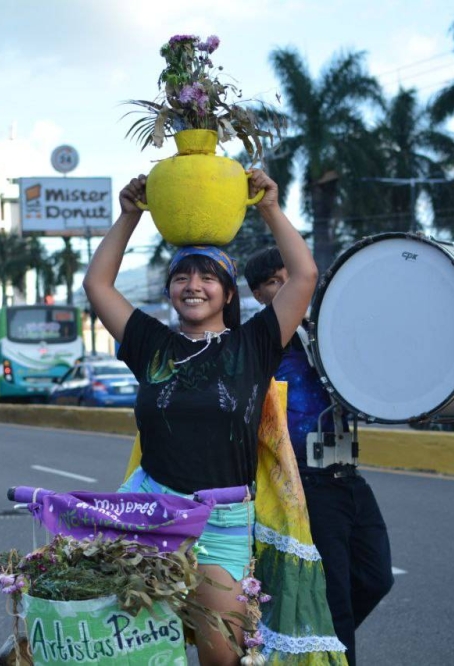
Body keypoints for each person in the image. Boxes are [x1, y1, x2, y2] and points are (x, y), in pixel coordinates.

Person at [83, 170, 317, 666]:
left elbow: (304, 277)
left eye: (208, 277)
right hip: (146, 514)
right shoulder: (150, 344)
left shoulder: (253, 345)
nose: (194, 286)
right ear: (170, 289)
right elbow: (97, 283)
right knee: (131, 653)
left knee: (222, 657)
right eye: (182, 277)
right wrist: (129, 214)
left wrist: (270, 208)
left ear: (228, 294)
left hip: (221, 521)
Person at [243, 246, 394, 664]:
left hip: (347, 474)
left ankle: (312, 635)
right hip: (303, 483)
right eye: (276, 281)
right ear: (259, 294)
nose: (290, 286)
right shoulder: (262, 345)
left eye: (293, 277)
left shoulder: (327, 338)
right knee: (337, 597)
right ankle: (326, 644)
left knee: (376, 577)